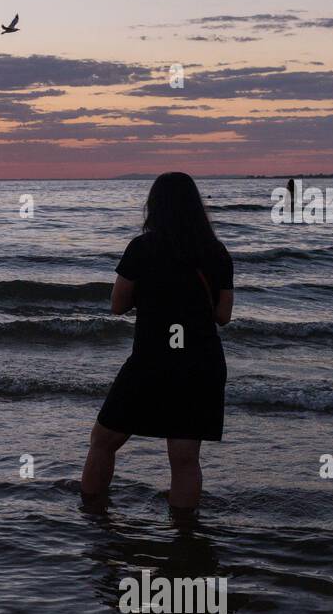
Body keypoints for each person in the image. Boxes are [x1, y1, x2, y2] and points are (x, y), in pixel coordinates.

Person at [80, 172, 234, 514]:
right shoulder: (216, 252)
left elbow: (118, 305)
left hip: (153, 360)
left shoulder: (142, 248)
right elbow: (223, 315)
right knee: (184, 458)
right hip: (201, 363)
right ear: (196, 207)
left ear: (155, 207)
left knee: (104, 442)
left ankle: (92, 517)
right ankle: (184, 536)